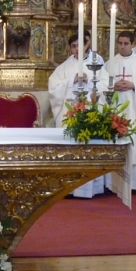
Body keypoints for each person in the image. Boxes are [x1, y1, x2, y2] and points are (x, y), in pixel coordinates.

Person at [48, 34, 108, 198]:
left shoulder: (96, 65)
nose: (76, 49)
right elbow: (53, 88)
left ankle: (91, 187)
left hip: (89, 112)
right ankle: (68, 187)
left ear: (86, 46)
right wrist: (71, 82)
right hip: (70, 113)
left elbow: (105, 85)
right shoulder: (64, 68)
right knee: (70, 148)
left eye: (78, 45)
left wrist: (90, 82)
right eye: (73, 46)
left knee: (88, 148)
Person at [104, 31, 136, 191]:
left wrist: (134, 86)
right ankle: (114, 183)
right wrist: (112, 86)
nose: (122, 46)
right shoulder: (109, 64)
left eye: (126, 43)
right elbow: (100, 86)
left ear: (132, 44)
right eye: (120, 43)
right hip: (116, 110)